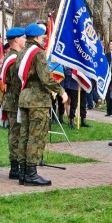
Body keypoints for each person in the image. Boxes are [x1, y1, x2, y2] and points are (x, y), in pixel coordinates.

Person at [16, 24, 68, 186]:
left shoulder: (22, 52)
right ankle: (31, 173)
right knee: (36, 137)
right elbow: (45, 78)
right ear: (37, 37)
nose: (44, 38)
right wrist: (61, 91)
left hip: (25, 97)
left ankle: (23, 172)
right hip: (37, 101)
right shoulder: (37, 54)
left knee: (24, 136)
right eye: (42, 36)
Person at [0, 27, 26, 180]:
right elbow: (17, 84)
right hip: (15, 100)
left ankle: (16, 166)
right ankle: (15, 167)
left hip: (11, 99)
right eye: (23, 38)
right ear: (16, 40)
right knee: (16, 135)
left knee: (14, 134)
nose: (25, 40)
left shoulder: (12, 56)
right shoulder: (14, 58)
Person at [105, 39, 112, 117]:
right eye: (110, 44)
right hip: (108, 77)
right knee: (108, 95)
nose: (111, 46)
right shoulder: (107, 55)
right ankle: (109, 111)